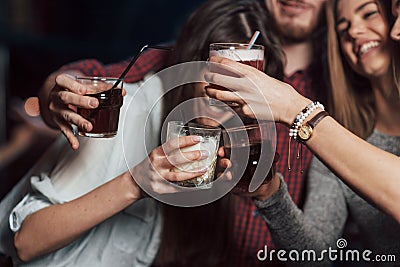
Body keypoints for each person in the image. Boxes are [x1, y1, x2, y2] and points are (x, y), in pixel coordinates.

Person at [38, 1, 329, 264]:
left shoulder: (330, 93)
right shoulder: (219, 42)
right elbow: (94, 78)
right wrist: (56, 93)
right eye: (217, 78)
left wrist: (271, 193)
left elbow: (319, 254)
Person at [206, 0, 400, 264]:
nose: (354, 31)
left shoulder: (322, 129)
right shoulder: (339, 134)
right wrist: (269, 192)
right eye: (343, 30)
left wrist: (295, 109)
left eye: (369, 14)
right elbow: (316, 256)